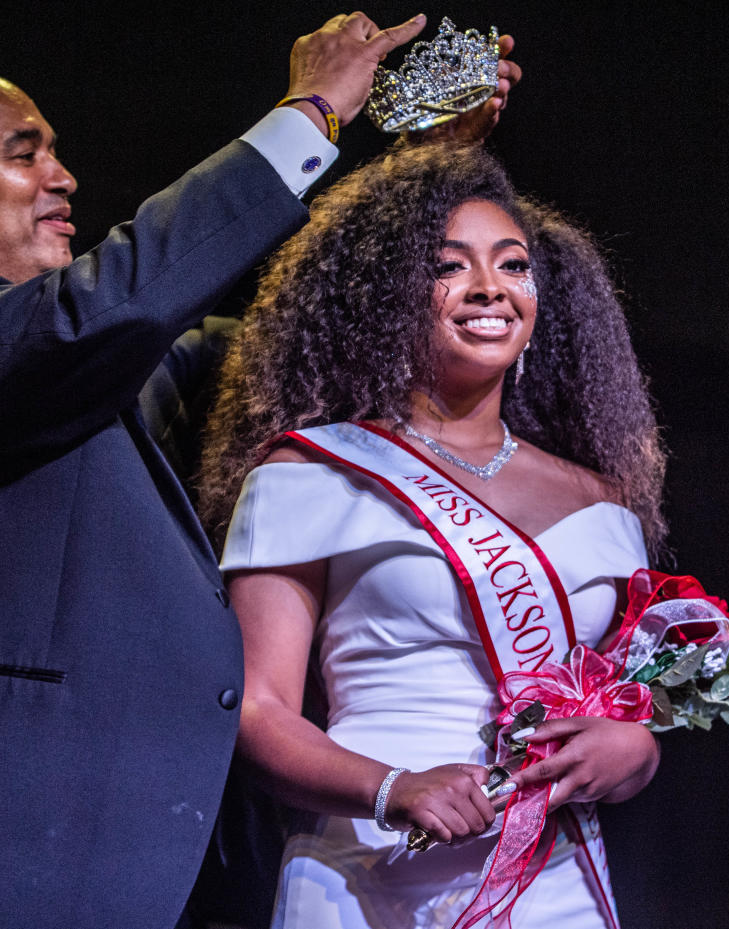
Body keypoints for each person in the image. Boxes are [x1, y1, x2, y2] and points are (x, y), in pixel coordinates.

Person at [0, 13, 519, 928]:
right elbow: (122, 298)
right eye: (22, 153)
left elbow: (284, 327)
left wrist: (412, 173)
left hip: (168, 849)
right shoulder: (43, 344)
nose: (63, 177)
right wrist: (310, 110)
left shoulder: (81, 362)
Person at [198, 140, 667, 928]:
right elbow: (256, 708)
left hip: (551, 876)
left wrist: (635, 753)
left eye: (514, 265)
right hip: (369, 870)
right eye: (450, 265)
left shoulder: (603, 496)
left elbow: (620, 700)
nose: (491, 287)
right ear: (387, 295)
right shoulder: (315, 470)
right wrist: (393, 786)